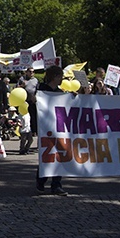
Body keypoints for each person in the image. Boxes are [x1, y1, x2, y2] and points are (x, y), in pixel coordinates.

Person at [35, 65, 67, 196]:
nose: (62, 80)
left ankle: (56, 185)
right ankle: (41, 179)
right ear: (55, 77)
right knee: (47, 154)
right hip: (46, 128)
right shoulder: (42, 90)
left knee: (59, 155)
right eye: (61, 77)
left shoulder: (60, 92)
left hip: (59, 128)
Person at [17, 67, 39, 136]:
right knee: (24, 117)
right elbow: (16, 89)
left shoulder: (35, 80)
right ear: (26, 72)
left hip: (32, 101)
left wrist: (35, 96)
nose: (31, 73)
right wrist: (22, 85)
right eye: (30, 71)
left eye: (33, 72)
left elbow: (38, 89)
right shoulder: (22, 79)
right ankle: (24, 131)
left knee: (33, 116)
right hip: (24, 101)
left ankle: (34, 131)